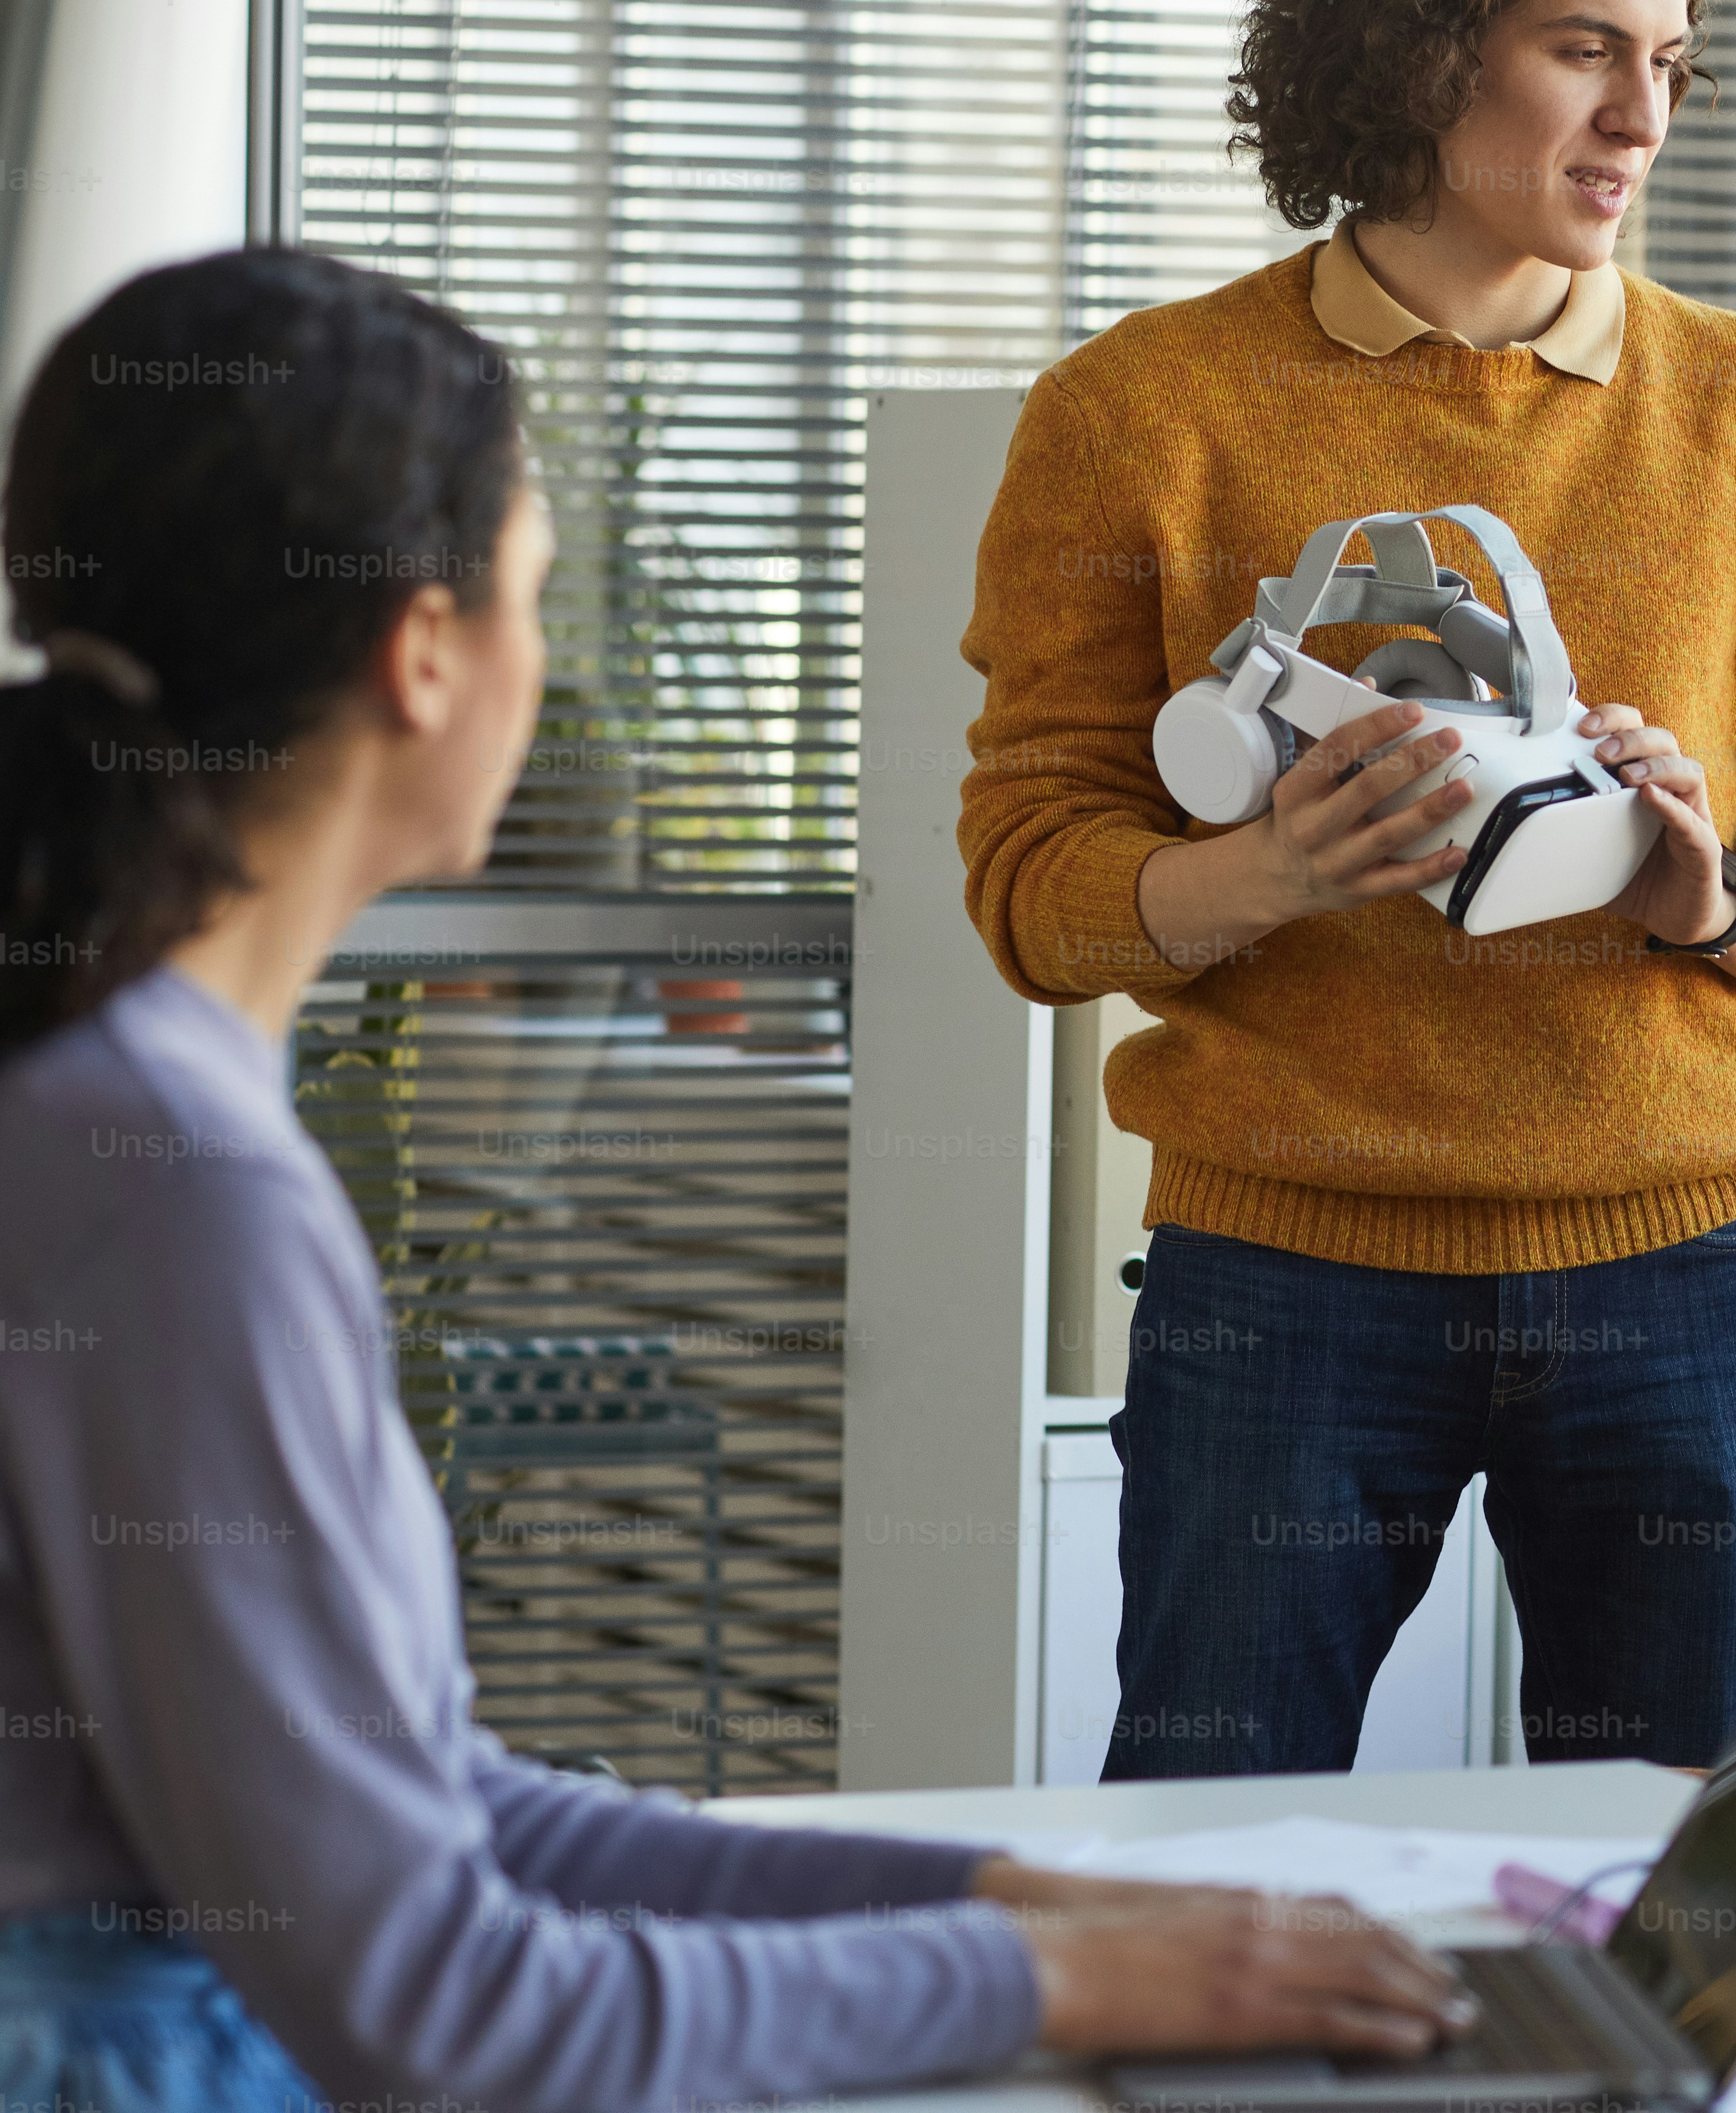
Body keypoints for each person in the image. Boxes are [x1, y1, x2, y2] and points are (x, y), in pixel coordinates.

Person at [0, 249, 1470, 2111]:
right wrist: (1040, 1979)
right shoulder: (174, 1190)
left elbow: (428, 1800)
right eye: (542, 595)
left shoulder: (112, 1105)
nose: (559, 662)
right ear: (426, 653)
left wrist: (1003, 1900)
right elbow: (443, 2008)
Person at [957, 0, 1736, 1778]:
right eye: (1585, 49)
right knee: (1213, 1836)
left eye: (1667, 61)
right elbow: (1027, 868)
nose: (1643, 119)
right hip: (1285, 1283)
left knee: (1683, 1894)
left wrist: (1717, 903)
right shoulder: (1137, 415)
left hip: (1683, 1271)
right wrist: (1267, 872)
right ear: (1420, 47)